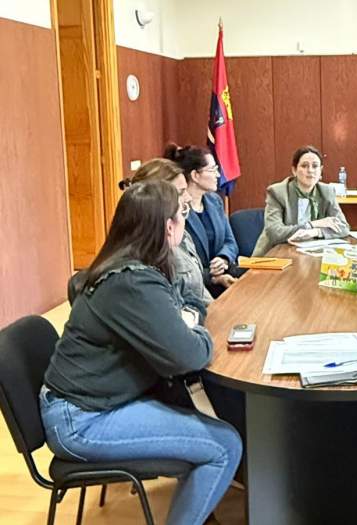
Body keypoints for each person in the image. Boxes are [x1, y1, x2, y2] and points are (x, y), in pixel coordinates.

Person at [40, 181, 243, 525]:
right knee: (225, 446)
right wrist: (199, 333)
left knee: (202, 413)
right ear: (168, 227)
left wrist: (188, 327)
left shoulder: (128, 267)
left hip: (96, 402)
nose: (185, 219)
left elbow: (181, 321)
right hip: (83, 419)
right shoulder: (132, 282)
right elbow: (189, 355)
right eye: (182, 213)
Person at [120, 158, 214, 306]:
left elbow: (198, 290)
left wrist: (217, 307)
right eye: (181, 192)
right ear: (158, 198)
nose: (188, 198)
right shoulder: (150, 251)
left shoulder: (182, 234)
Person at [165, 143, 240, 298]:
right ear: (195, 175)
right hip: (197, 287)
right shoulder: (178, 211)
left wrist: (224, 258)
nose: (218, 175)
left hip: (225, 275)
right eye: (212, 170)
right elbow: (180, 267)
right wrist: (212, 276)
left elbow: (230, 241)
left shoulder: (215, 201)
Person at [252, 145, 350, 256]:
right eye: (304, 166)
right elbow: (274, 232)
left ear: (321, 171)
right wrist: (311, 225)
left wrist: (316, 232)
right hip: (274, 255)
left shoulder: (326, 192)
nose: (310, 170)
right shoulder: (278, 192)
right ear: (294, 170)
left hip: (309, 254)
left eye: (315, 166)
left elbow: (344, 227)